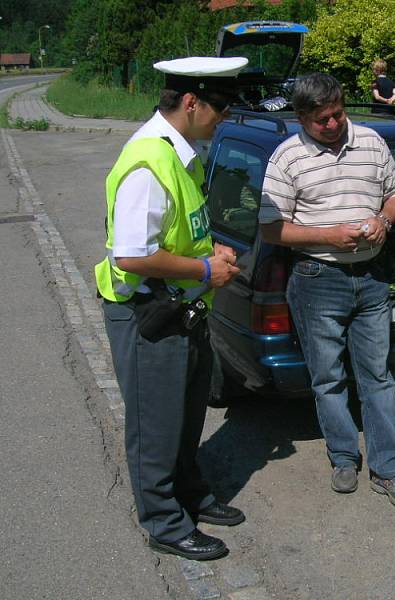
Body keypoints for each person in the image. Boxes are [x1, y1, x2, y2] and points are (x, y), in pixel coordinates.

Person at [96, 56, 248, 560]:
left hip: (181, 308)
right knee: (156, 424)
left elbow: (174, 232)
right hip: (149, 315)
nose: (223, 117)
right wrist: (205, 271)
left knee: (185, 414)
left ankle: (190, 493)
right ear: (191, 102)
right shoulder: (149, 162)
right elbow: (133, 255)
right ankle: (164, 521)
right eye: (220, 107)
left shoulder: (183, 153)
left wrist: (210, 253)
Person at [259, 73, 395, 508]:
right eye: (322, 120)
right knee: (328, 378)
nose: (333, 124)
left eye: (338, 114)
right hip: (317, 280)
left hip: (371, 277)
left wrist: (384, 221)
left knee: (378, 378)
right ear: (302, 119)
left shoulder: (370, 141)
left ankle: (389, 470)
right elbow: (270, 228)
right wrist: (329, 236)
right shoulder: (286, 157)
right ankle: (344, 457)